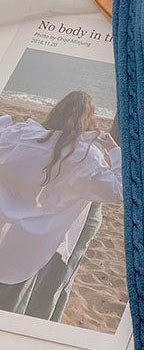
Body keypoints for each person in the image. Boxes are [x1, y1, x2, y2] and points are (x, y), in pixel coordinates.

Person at [0, 90, 122, 317]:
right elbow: (119, 190)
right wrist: (114, 150)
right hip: (34, 244)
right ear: (87, 119)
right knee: (11, 308)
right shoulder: (84, 156)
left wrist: (10, 119)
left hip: (6, 231)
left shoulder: (23, 135)